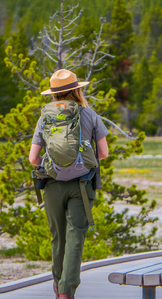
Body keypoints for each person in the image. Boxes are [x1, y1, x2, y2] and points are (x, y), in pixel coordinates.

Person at [29, 69, 109, 299]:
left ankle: (58, 286)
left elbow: (33, 159)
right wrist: (81, 159)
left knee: (58, 237)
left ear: (54, 94)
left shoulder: (45, 117)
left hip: (52, 185)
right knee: (76, 237)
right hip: (82, 186)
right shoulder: (90, 115)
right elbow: (103, 153)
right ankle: (67, 291)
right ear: (77, 90)